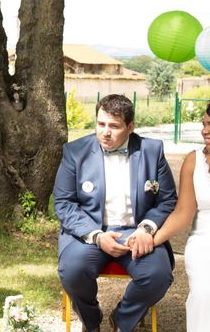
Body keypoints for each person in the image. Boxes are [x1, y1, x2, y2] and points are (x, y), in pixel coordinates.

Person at [53, 94, 177, 332]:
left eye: (114, 126)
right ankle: (91, 321)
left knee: (158, 275)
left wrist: (147, 229)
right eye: (100, 124)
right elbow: (64, 203)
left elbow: (167, 199)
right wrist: (96, 236)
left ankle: (122, 319)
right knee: (72, 271)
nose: (105, 132)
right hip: (90, 233)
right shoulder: (74, 152)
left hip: (136, 232)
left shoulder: (153, 150)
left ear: (130, 127)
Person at [150, 102, 210, 331]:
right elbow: (183, 214)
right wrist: (150, 240)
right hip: (204, 244)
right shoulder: (194, 161)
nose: (204, 131)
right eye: (204, 124)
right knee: (205, 295)